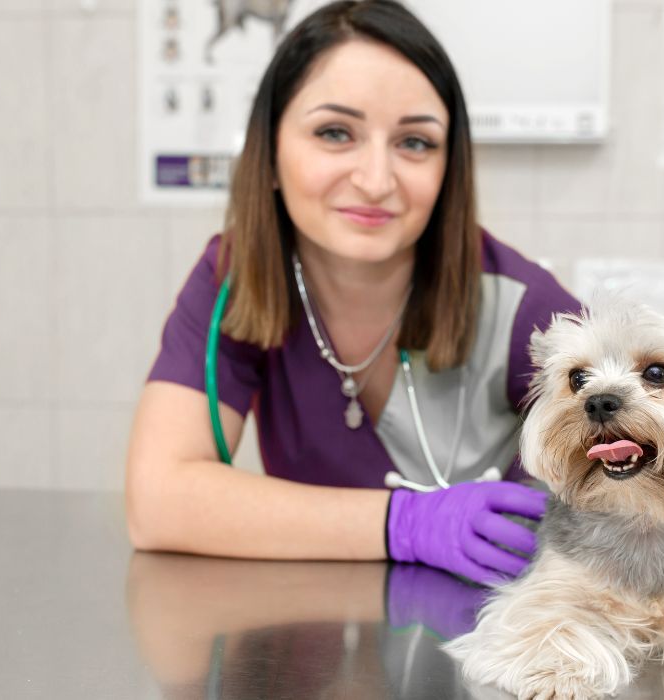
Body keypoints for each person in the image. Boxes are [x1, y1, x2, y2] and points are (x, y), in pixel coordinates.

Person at [126, 0, 580, 586]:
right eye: (335, 133)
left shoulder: (523, 304)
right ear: (268, 153)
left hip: (494, 648)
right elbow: (157, 501)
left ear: (449, 170)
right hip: (310, 651)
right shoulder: (237, 279)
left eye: (415, 143)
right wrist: (404, 524)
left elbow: (662, 465)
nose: (375, 180)